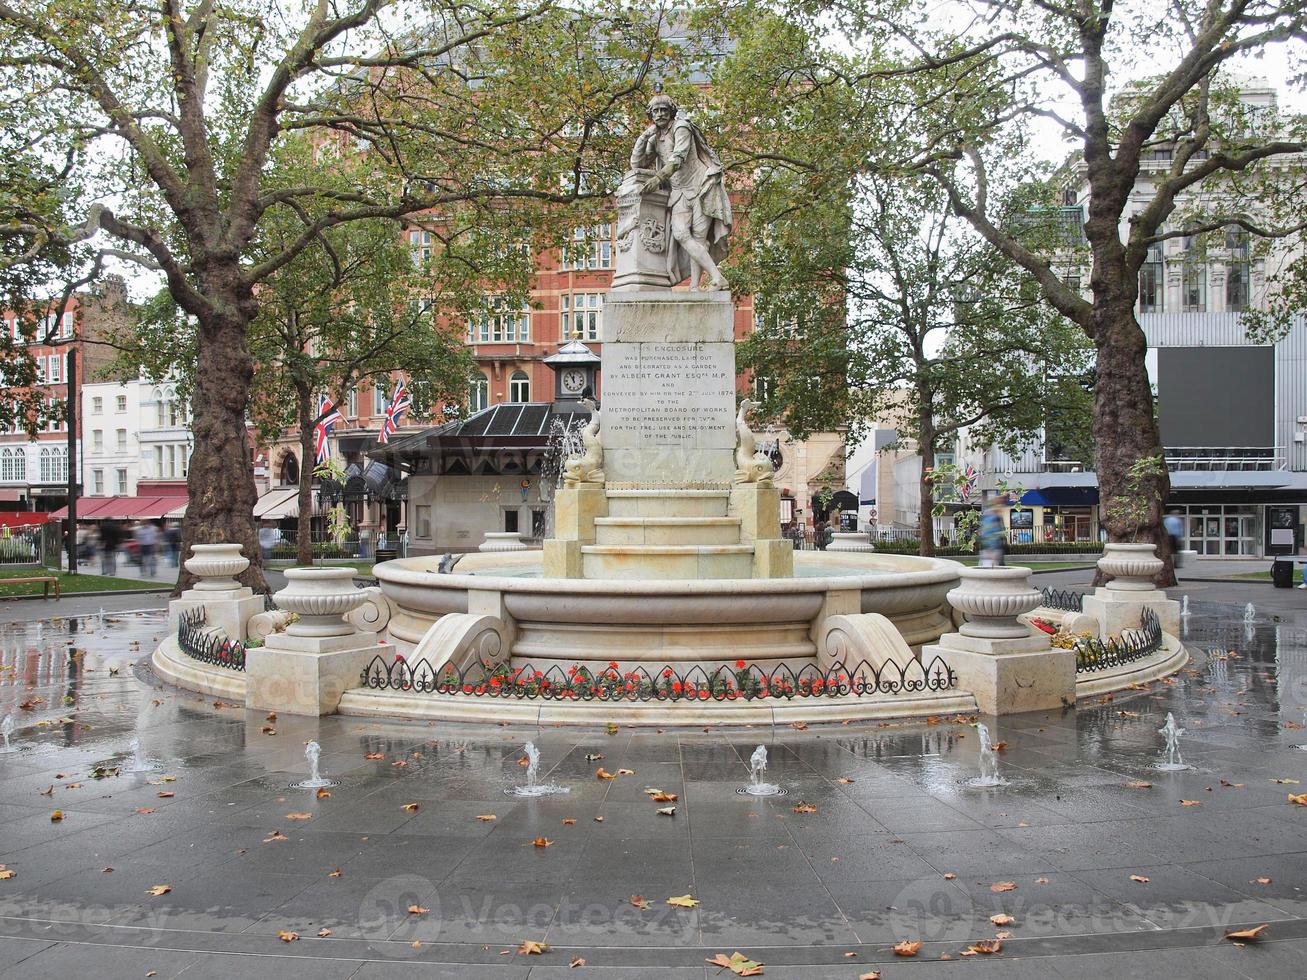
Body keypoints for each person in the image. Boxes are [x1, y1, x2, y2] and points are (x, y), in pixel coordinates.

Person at [630, 93, 732, 290]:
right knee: (681, 234)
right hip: (679, 192)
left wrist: (658, 178)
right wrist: (643, 136)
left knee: (699, 239)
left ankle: (695, 287)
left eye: (664, 110)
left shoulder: (681, 127)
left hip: (701, 188)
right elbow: (637, 163)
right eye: (655, 111)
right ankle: (717, 277)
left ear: (671, 112)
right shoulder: (655, 138)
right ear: (651, 115)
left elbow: (678, 158)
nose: (660, 114)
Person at [978, 498, 1007, 568]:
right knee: (997, 566)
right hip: (994, 546)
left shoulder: (986, 516)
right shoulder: (995, 517)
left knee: (987, 565)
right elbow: (997, 532)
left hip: (988, 546)